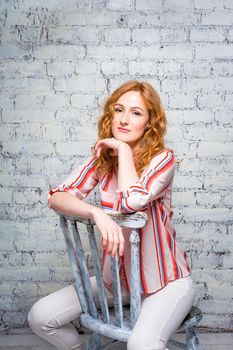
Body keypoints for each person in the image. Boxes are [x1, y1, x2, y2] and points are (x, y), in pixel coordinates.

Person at [27, 80, 196, 350]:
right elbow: (57, 197)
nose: (125, 119)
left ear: (149, 123)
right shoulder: (101, 160)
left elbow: (132, 201)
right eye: (119, 110)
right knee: (40, 317)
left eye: (136, 113)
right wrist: (96, 213)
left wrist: (124, 151)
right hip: (115, 282)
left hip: (164, 283)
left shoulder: (163, 159)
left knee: (141, 345)